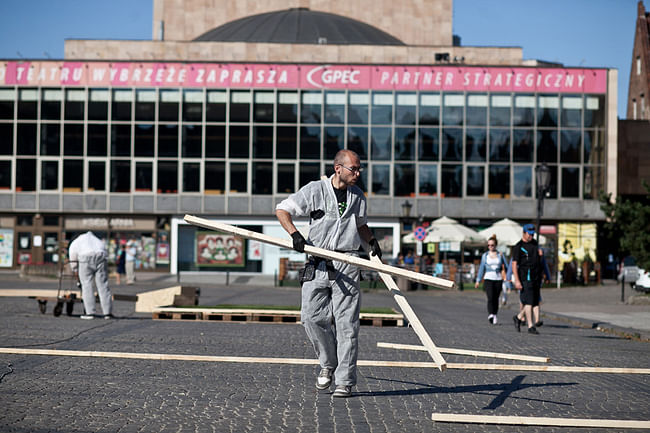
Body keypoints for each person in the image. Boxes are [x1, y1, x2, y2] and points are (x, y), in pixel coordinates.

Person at [275, 149, 381, 398]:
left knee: (347, 325)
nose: (358, 173)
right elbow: (282, 210)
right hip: (318, 260)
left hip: (347, 261)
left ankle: (344, 380)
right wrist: (295, 235)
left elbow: (360, 224)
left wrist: (372, 241)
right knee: (311, 318)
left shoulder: (357, 196)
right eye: (353, 168)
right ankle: (328, 363)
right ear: (338, 168)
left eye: (359, 168)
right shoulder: (315, 190)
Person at [68, 231, 113, 319]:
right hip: (101, 256)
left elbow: (73, 260)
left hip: (85, 257)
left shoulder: (76, 242)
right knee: (103, 285)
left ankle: (90, 313)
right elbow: (105, 252)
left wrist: (75, 270)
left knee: (86, 285)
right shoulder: (97, 240)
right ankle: (107, 313)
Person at [511, 224, 543, 334]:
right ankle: (530, 326)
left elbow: (538, 260)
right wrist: (517, 280)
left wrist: (540, 255)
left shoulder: (535, 244)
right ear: (524, 233)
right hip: (525, 277)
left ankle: (518, 317)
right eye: (529, 234)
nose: (531, 236)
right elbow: (514, 264)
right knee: (528, 302)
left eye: (533, 234)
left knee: (534, 302)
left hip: (536, 277)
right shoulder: (518, 247)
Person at [475, 234, 507, 325]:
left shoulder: (500, 255)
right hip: (488, 278)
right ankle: (490, 314)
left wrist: (507, 276)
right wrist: (478, 280)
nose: (490, 247)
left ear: (495, 245)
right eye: (488, 245)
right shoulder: (485, 256)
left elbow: (506, 266)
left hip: (498, 278)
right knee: (490, 297)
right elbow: (482, 268)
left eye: (492, 245)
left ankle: (495, 314)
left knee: (496, 298)